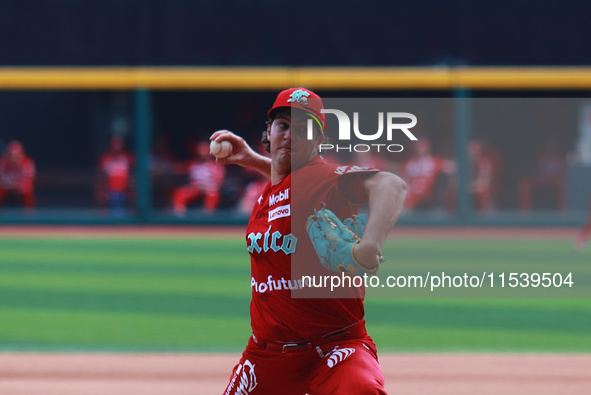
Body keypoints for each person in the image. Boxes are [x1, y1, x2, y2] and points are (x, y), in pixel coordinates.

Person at [211, 87, 406, 395]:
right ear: (269, 131)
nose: (290, 135)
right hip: (267, 356)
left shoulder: (324, 179)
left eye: (303, 129)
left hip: (333, 350)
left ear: (319, 141)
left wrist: (369, 247)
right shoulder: (273, 190)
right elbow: (287, 185)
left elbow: (391, 185)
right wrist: (253, 159)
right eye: (283, 126)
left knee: (362, 390)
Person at [172, 140, 226, 216]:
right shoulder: (193, 163)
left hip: (209, 188)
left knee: (213, 193)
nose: (202, 154)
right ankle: (180, 215)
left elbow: (219, 181)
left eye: (204, 151)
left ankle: (208, 215)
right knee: (181, 192)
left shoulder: (216, 165)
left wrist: (207, 186)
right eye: (200, 152)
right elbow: (180, 168)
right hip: (195, 188)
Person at [401, 138, 454, 212]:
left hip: (428, 194)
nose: (420, 151)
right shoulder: (409, 162)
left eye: (422, 148)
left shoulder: (434, 161)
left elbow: (451, 168)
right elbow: (403, 178)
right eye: (418, 148)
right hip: (411, 192)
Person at [98, 135, 134, 216]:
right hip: (110, 192)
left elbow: (132, 175)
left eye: (118, 145)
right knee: (112, 217)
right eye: (114, 145)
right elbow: (101, 177)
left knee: (124, 217)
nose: (116, 148)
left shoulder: (127, 157)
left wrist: (132, 192)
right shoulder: (106, 158)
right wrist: (102, 194)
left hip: (125, 192)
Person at [0, 140, 36, 210]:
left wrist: (13, 183)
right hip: (6, 186)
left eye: (16, 156)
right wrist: (7, 183)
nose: (13, 158)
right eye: (11, 155)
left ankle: (29, 213)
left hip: (20, 186)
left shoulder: (27, 163)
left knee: (27, 190)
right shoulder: (3, 162)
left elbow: (28, 180)